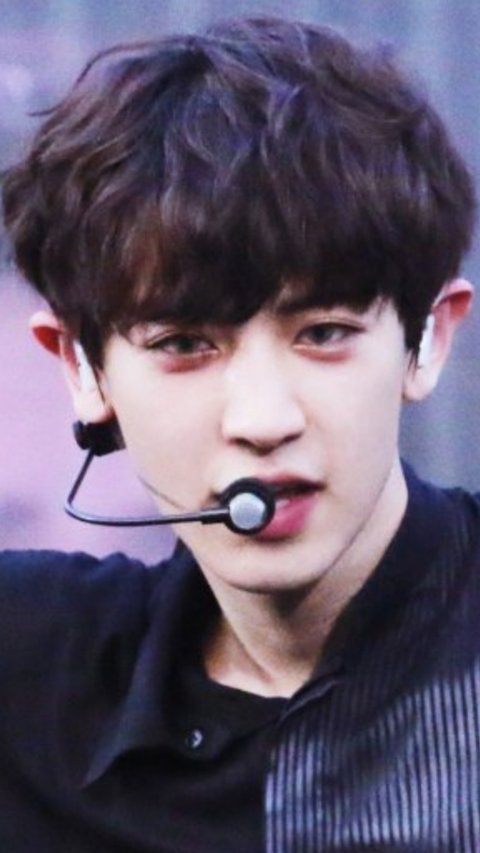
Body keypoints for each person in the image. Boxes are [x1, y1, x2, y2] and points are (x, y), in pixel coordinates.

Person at [1, 16, 479, 852]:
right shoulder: (31, 670)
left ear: (427, 338)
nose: (263, 420)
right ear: (83, 368)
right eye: (184, 344)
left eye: (324, 332)